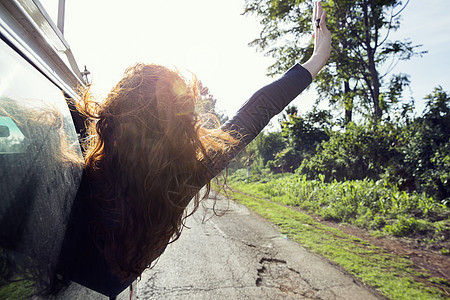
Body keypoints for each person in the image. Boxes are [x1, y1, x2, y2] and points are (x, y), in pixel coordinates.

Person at [58, 2, 331, 297]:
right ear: (183, 126)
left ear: (113, 114)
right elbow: (257, 111)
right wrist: (317, 58)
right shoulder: (186, 174)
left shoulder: (70, 167)